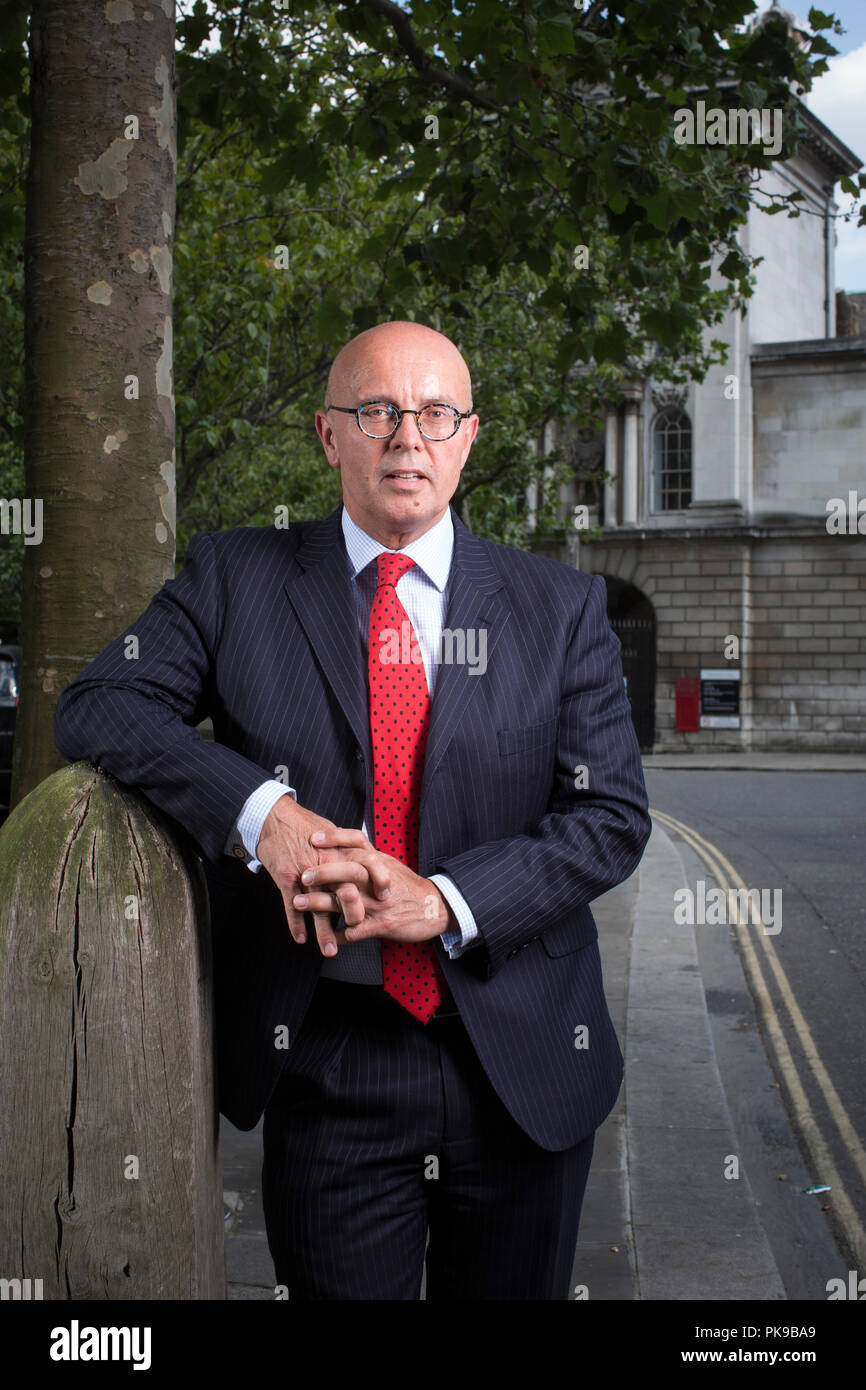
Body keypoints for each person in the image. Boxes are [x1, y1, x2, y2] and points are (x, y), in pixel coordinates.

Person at [54, 319, 651, 1301]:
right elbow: (98, 705)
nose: (405, 437)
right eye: (376, 411)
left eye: (434, 414)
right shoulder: (233, 576)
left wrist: (444, 901)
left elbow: (610, 816)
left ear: (469, 437)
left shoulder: (561, 607)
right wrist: (261, 813)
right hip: (326, 1057)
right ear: (328, 435)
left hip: (523, 1060)